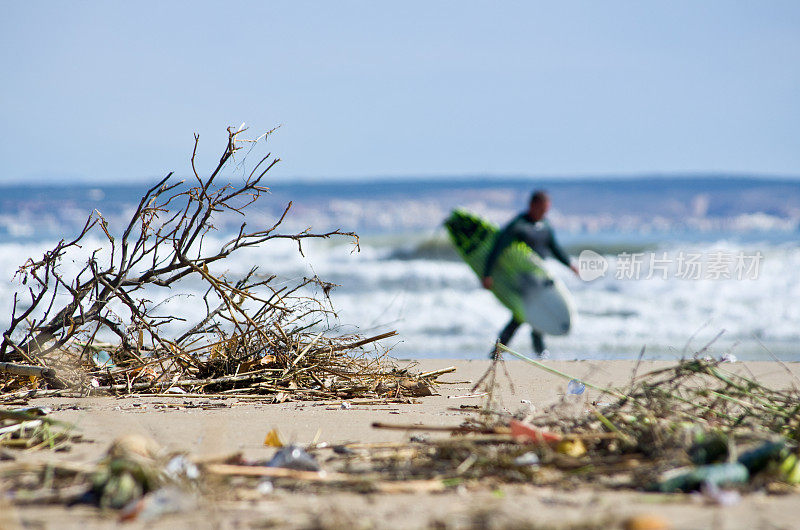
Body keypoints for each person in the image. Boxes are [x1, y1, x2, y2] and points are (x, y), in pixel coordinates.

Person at [482, 190, 578, 358]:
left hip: (540, 280)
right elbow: (498, 249)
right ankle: (533, 353)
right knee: (522, 315)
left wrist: (570, 264)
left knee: (529, 316)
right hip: (523, 280)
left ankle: (503, 352)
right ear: (532, 205)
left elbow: (554, 248)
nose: (544, 212)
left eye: (546, 209)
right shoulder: (518, 225)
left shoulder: (545, 226)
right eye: (542, 209)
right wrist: (487, 274)